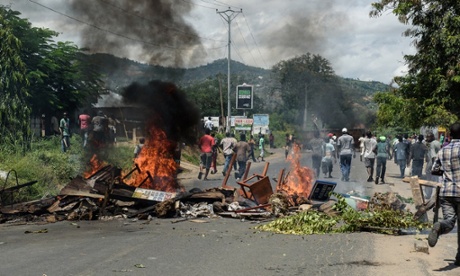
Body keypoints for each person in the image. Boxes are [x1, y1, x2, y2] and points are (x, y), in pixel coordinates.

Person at [427, 122, 460, 266]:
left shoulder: (443, 150)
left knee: (450, 220)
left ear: (450, 135)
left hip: (447, 192)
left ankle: (440, 225)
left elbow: (434, 170)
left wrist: (447, 172)